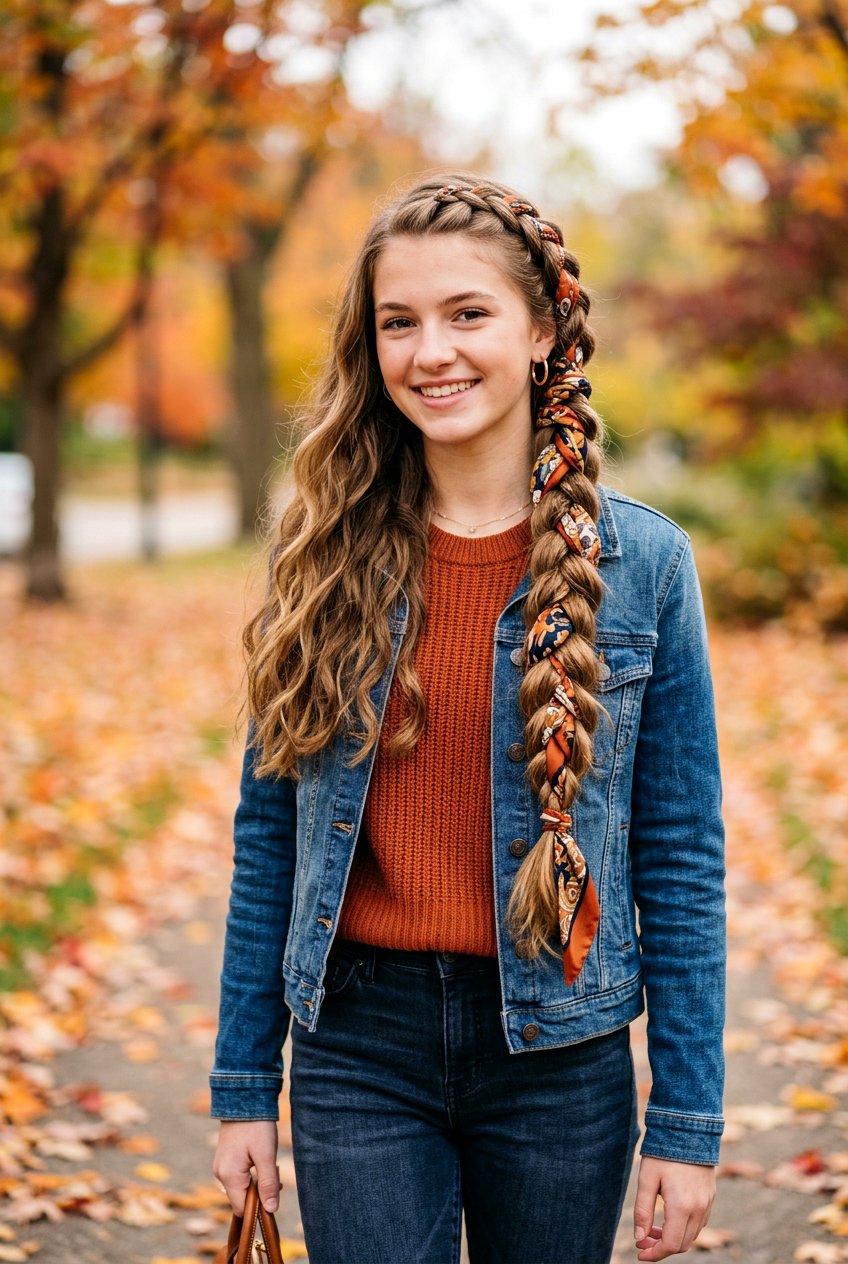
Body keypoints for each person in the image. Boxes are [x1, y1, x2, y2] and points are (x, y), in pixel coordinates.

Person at [210, 174, 726, 1264]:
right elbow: (270, 841)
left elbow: (678, 857)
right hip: (357, 1046)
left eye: (466, 313)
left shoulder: (643, 566)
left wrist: (685, 1121)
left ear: (541, 330)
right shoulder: (320, 558)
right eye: (397, 322)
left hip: (559, 1052)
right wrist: (242, 1087)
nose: (428, 350)